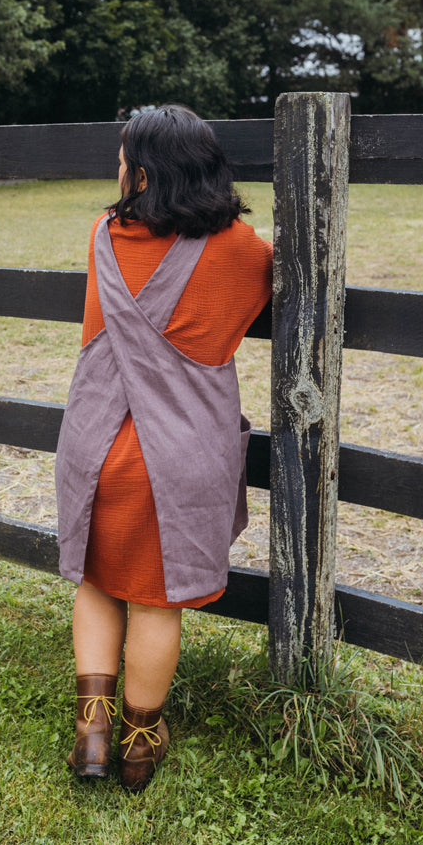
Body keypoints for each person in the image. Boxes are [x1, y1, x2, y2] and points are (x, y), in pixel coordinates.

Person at [55, 104, 273, 791]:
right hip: (174, 461)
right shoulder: (242, 250)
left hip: (95, 448)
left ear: (141, 173)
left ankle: (91, 732)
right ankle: (140, 742)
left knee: (96, 583)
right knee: (154, 602)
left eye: (122, 158)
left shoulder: (100, 235)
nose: (115, 169)